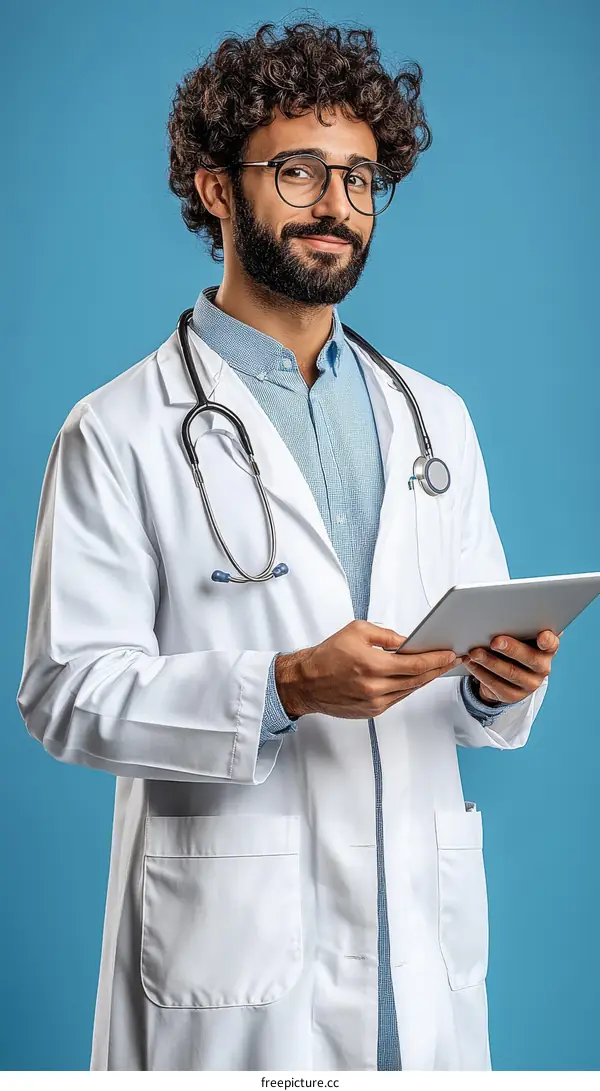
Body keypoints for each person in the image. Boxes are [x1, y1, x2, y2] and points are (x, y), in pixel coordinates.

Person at [17, 20, 559, 1072]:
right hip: (235, 970)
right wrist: (280, 686)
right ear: (215, 186)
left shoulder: (435, 418)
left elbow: (470, 696)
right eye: (300, 172)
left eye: (361, 179)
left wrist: (501, 681)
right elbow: (64, 692)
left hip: (421, 965)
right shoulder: (120, 427)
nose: (337, 207)